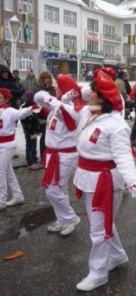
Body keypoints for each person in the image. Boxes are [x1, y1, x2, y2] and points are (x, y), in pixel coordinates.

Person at [70, 70, 136, 291]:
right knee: (104, 223)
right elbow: (83, 93)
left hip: (105, 182)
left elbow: (124, 157)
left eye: (94, 91)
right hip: (89, 179)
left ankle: (98, 274)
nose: (89, 94)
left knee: (98, 230)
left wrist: (135, 184)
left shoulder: (116, 125)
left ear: (102, 98)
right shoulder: (91, 112)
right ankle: (117, 255)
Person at [34, 74, 81, 236]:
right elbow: (38, 97)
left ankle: (71, 217)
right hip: (54, 154)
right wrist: (57, 99)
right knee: (60, 189)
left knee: (52, 190)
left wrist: (62, 101)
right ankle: (62, 219)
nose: (56, 89)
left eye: (59, 87)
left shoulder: (69, 110)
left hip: (65, 155)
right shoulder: (58, 106)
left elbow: (63, 112)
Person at [0, 88, 37, 210]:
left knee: (1, 172)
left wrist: (34, 106)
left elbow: (22, 112)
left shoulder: (10, 111)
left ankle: (1, 200)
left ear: (6, 99)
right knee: (8, 171)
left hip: (8, 145)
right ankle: (17, 195)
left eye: (0, 97)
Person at [35, 71, 56, 159]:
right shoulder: (38, 88)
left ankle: (49, 155)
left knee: (51, 135)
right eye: (45, 78)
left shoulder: (53, 89)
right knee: (43, 136)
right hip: (42, 115)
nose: (47, 80)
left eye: (48, 78)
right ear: (41, 79)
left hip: (51, 114)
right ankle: (43, 156)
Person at [20, 91, 42, 170]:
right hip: (29, 130)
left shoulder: (34, 105)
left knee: (34, 144)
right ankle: (30, 162)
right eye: (33, 98)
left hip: (34, 129)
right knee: (29, 145)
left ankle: (34, 160)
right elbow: (24, 119)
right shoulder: (25, 107)